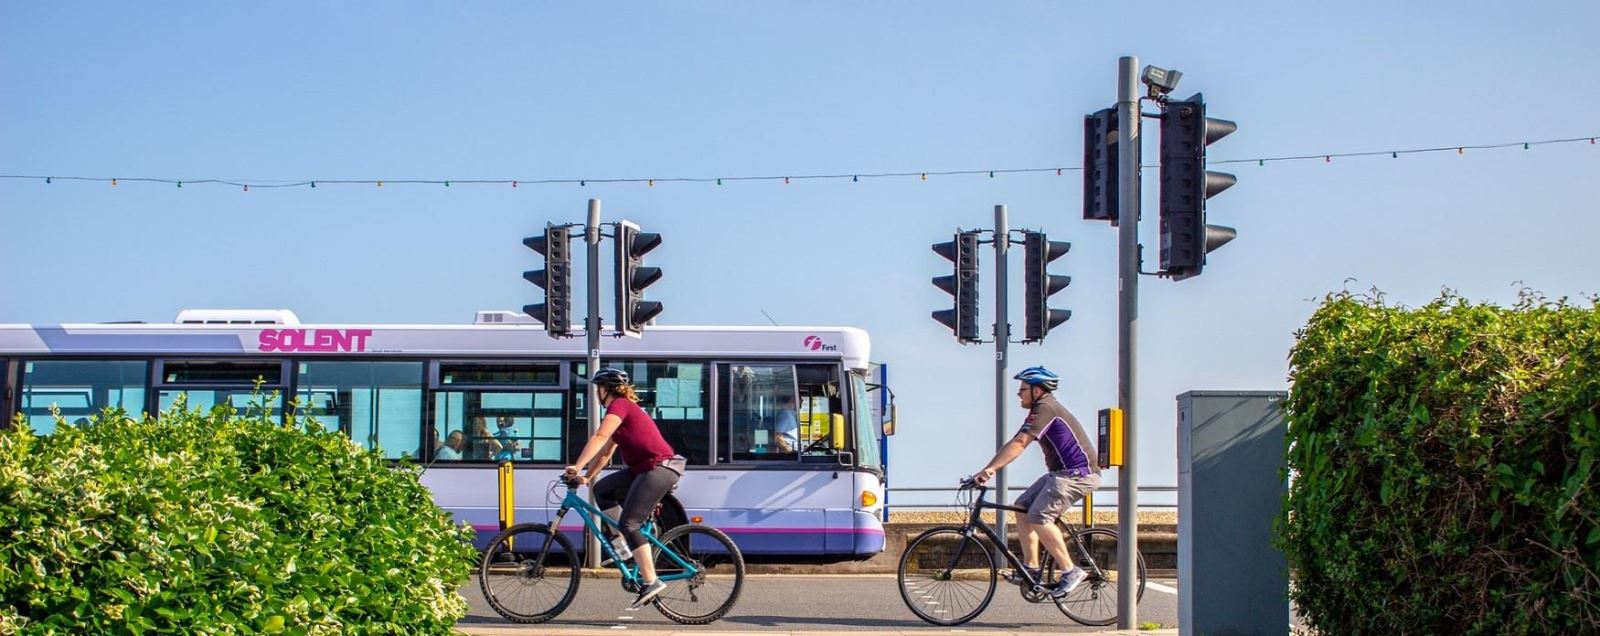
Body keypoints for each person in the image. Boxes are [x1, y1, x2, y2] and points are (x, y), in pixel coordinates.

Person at [970, 366, 1101, 598]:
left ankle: (1070, 571)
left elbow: (1021, 443)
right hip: (1061, 473)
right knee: (1022, 506)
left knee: (1039, 516)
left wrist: (989, 471)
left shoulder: (1046, 408)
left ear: (1037, 390)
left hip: (1077, 474)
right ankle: (1031, 568)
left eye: (1023, 389)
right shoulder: (1039, 409)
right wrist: (986, 469)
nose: (1019, 394)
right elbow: (1015, 441)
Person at [565, 367, 685, 609]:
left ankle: (651, 581)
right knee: (602, 490)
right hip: (645, 468)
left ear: (604, 390)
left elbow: (599, 437)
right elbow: (606, 451)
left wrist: (576, 466)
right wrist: (587, 478)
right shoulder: (622, 413)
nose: (596, 394)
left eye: (597, 389)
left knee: (630, 523)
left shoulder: (619, 405)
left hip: (658, 467)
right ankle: (622, 542)